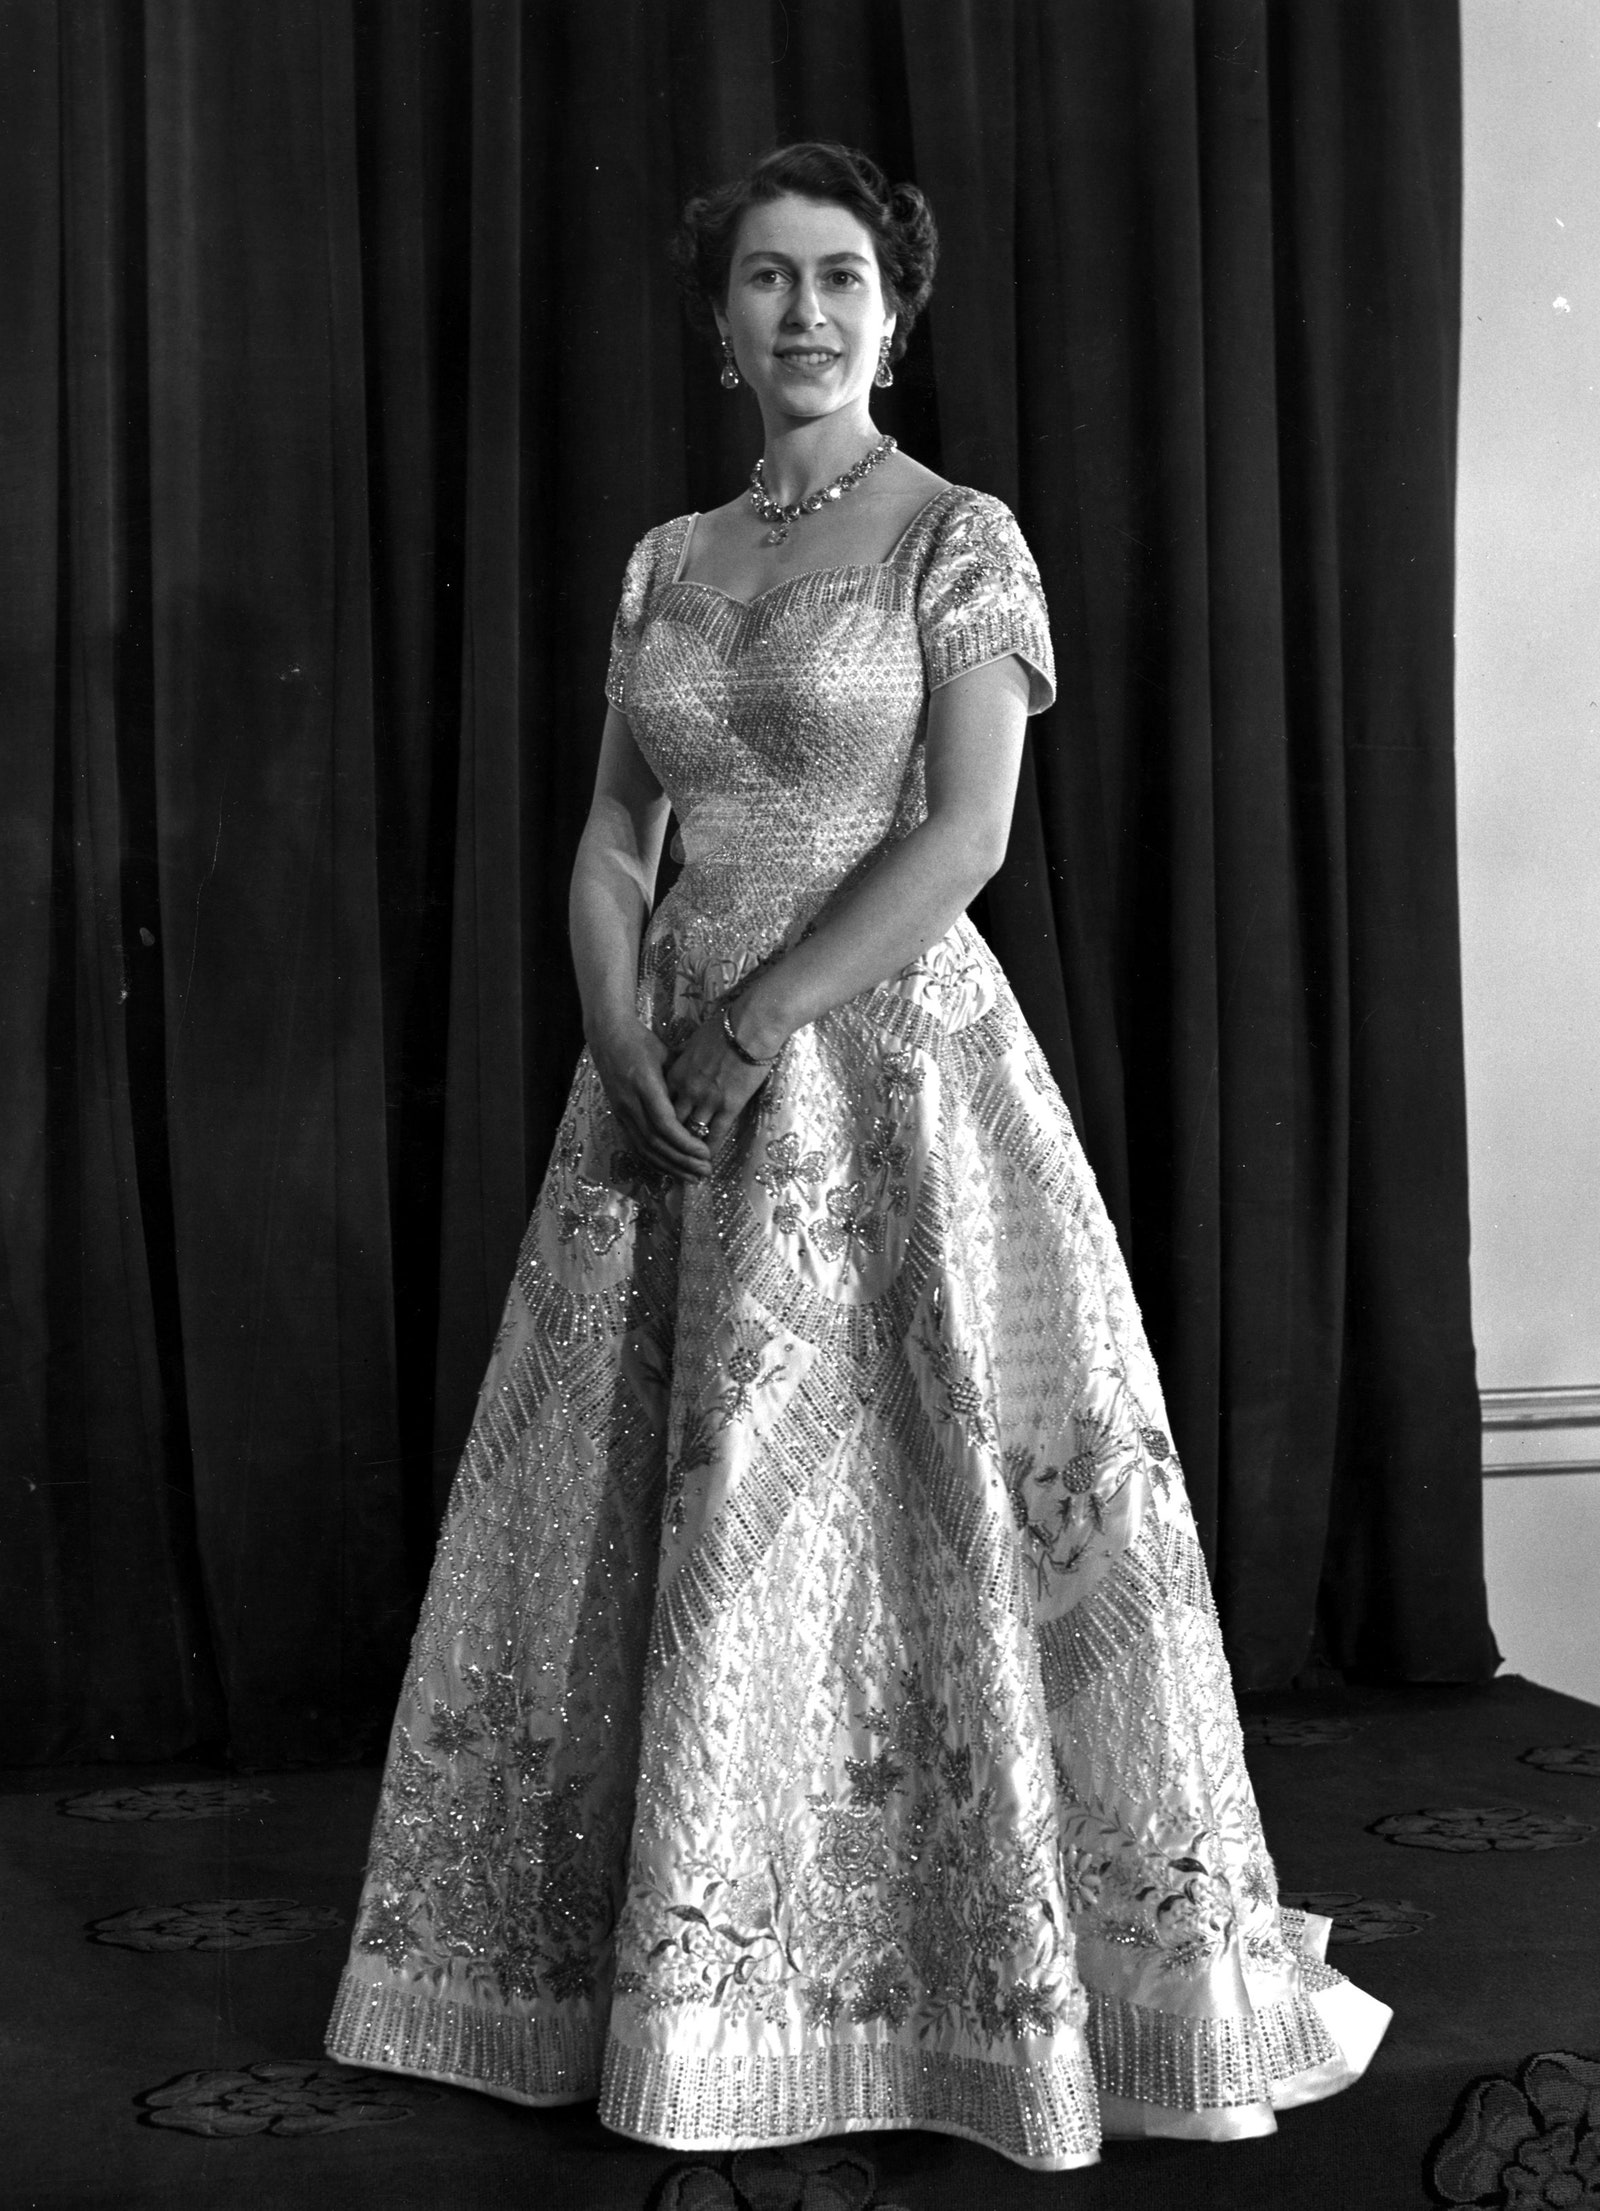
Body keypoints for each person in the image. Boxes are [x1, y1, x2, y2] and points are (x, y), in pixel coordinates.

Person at [326, 141, 1389, 2173]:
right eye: (761, 281)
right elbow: (611, 836)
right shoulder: (668, 558)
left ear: (892, 308)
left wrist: (744, 1021)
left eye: (835, 279)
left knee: (907, 1527)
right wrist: (622, 1028)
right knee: (664, 1514)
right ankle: (671, 1985)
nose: (800, 314)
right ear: (715, 317)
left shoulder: (956, 540)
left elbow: (961, 834)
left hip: (878, 1068)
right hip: (658, 1095)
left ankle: (956, 1990)